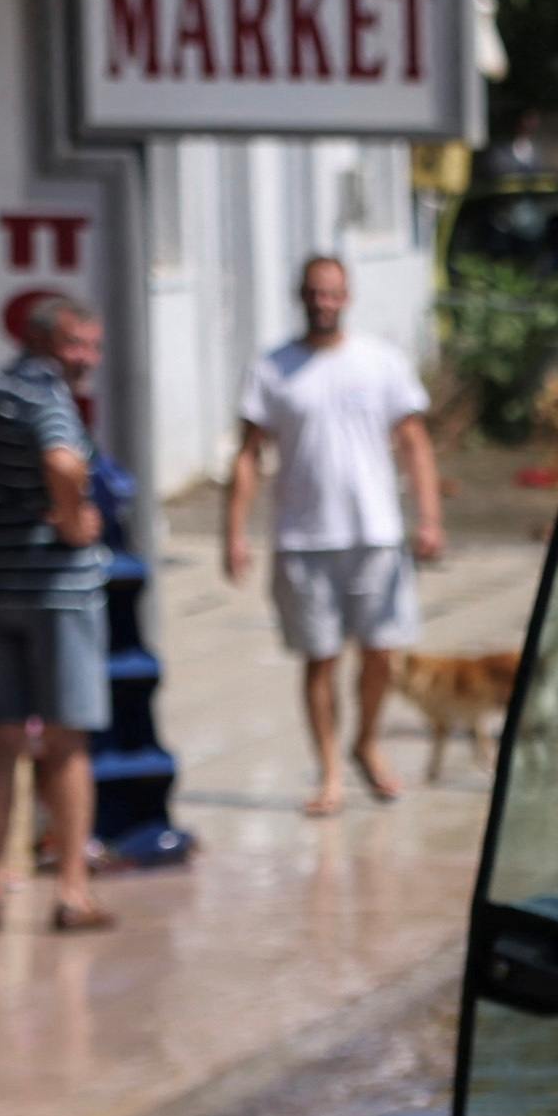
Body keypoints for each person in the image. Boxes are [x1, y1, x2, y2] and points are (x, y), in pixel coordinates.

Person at [228, 251, 448, 819]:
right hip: (303, 537)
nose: (323, 303)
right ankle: (329, 770)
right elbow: (249, 454)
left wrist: (428, 518)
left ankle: (366, 741)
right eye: (314, 293)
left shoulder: (381, 361)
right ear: (300, 297)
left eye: (332, 293)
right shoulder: (273, 368)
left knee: (381, 654)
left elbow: (414, 441)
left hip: (374, 532)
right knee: (319, 658)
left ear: (346, 297)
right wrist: (235, 532)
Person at [0, 295, 118, 934]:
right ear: (47, 341)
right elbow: (61, 459)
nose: (88, 359)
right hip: (59, 590)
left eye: (94, 346)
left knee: (1, 738)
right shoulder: (49, 397)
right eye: (79, 345)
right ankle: (72, 892)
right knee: (69, 743)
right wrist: (73, 520)